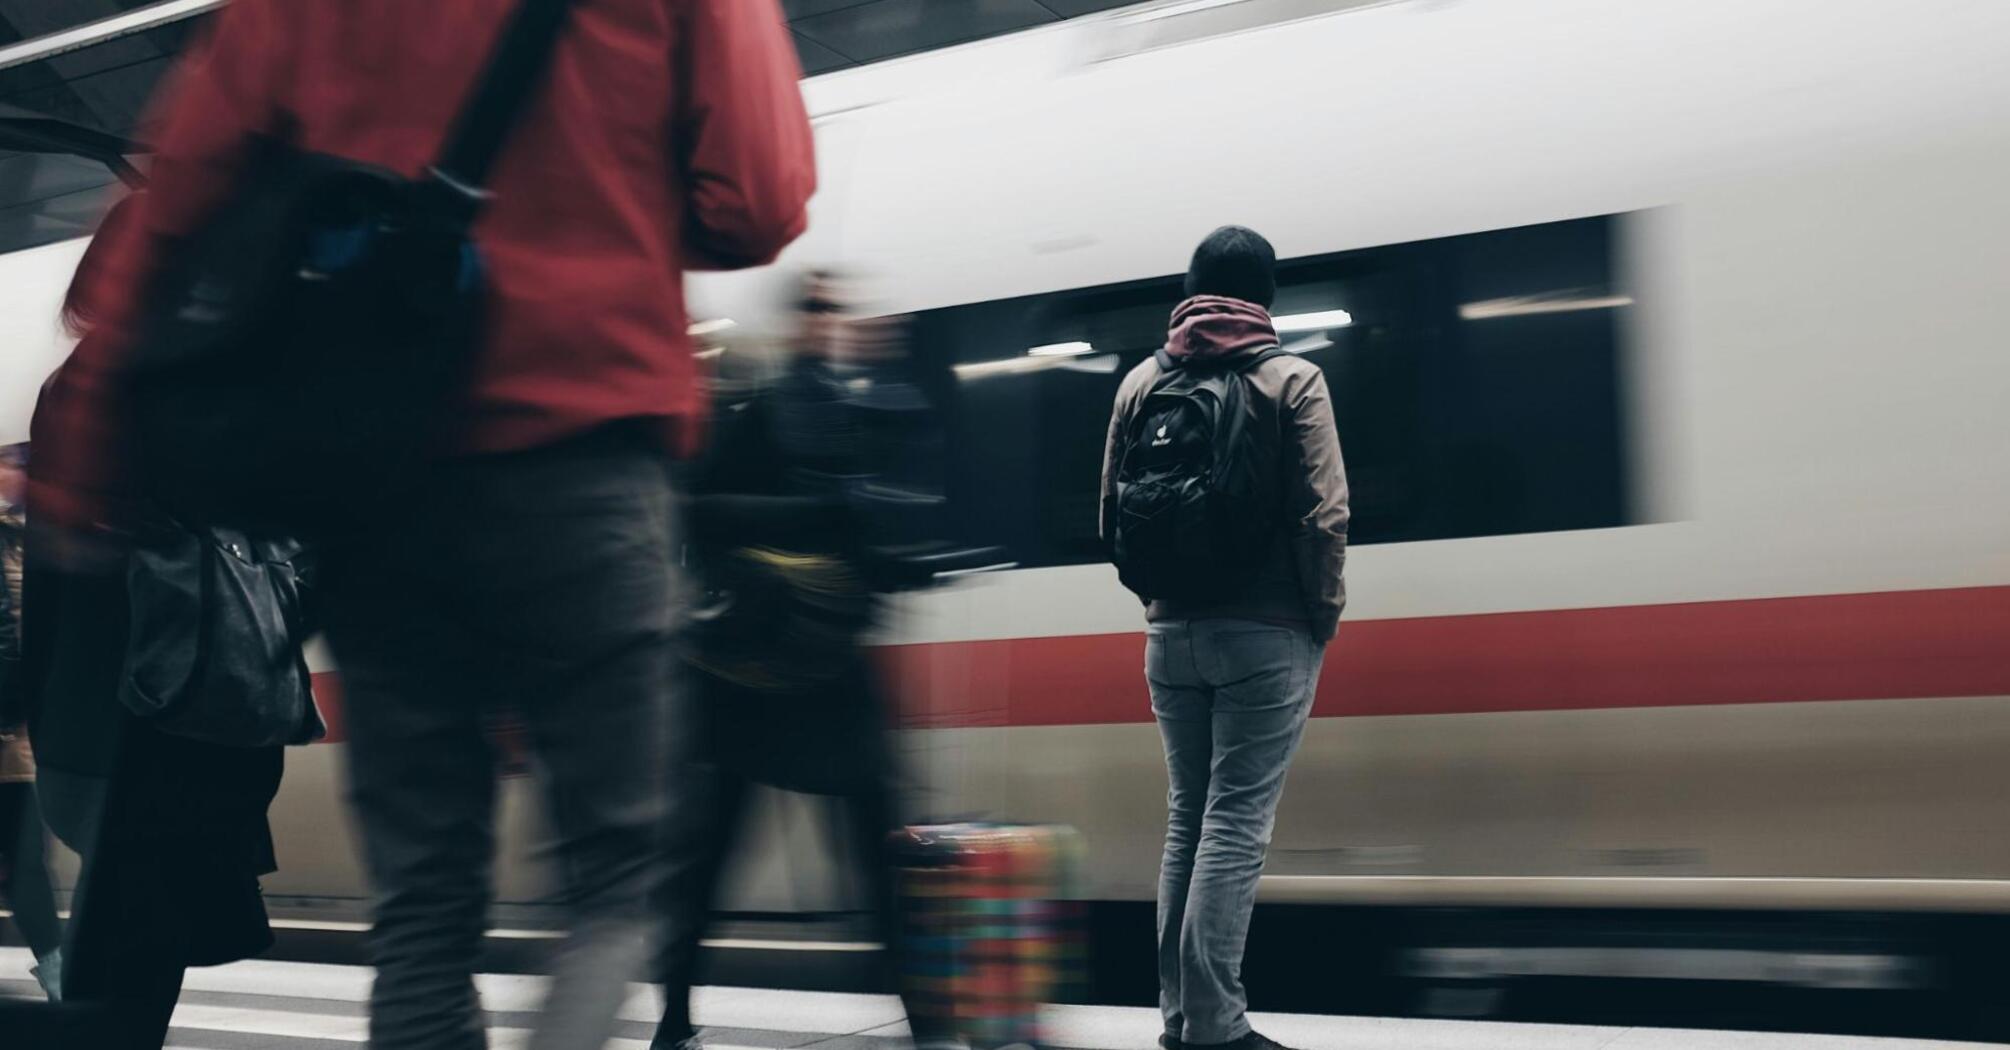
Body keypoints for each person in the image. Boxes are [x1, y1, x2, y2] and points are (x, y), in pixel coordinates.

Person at [28, 2, 816, 1049]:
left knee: (424, 901)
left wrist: (83, 462)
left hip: (379, 487)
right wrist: (592, 196)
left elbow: (174, 209)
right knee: (621, 874)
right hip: (583, 475)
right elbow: (754, 204)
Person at [654, 277, 937, 1050]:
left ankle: (927, 1021)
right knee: (714, 859)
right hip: (755, 678)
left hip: (816, 674)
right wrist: (818, 523)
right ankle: (673, 1018)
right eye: (814, 309)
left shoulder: (847, 414)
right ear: (794, 324)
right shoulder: (759, 412)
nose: (828, 323)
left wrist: (897, 561)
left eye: (833, 310)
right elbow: (698, 513)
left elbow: (862, 539)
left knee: (868, 858)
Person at [1099, 226, 1349, 1050]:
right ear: (1267, 297)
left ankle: (1180, 1018)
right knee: (1235, 824)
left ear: (1192, 287)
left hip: (1168, 633)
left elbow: (1111, 514)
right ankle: (1215, 1025)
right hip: (1269, 632)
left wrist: (1160, 603)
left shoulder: (1142, 380)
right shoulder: (1293, 379)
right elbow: (1324, 516)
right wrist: (1321, 614)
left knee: (1188, 820)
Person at [0, 448, 63, 1001]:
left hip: (23, 736)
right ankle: (58, 969)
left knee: (27, 864)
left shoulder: (36, 540)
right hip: (15, 729)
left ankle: (58, 968)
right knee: (25, 863)